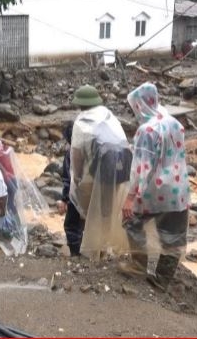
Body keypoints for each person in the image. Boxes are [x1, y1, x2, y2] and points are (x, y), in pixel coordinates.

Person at [119, 82, 191, 292]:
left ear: (140, 105)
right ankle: (162, 280)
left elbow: (142, 167)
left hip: (155, 191)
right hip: (178, 190)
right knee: (174, 236)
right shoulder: (174, 123)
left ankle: (138, 266)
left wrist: (131, 197)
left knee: (131, 221)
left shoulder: (146, 131)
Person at [69, 85, 131, 261]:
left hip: (92, 176)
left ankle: (91, 253)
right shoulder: (110, 117)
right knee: (107, 212)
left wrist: (77, 177)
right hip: (116, 174)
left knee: (89, 215)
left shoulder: (81, 123)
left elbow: (76, 154)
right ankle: (106, 249)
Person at [57, 121, 85, 257]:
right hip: (93, 193)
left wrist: (64, 199)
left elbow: (68, 178)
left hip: (77, 194)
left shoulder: (71, 153)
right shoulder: (90, 148)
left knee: (71, 225)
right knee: (87, 223)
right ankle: (94, 253)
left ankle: (76, 255)